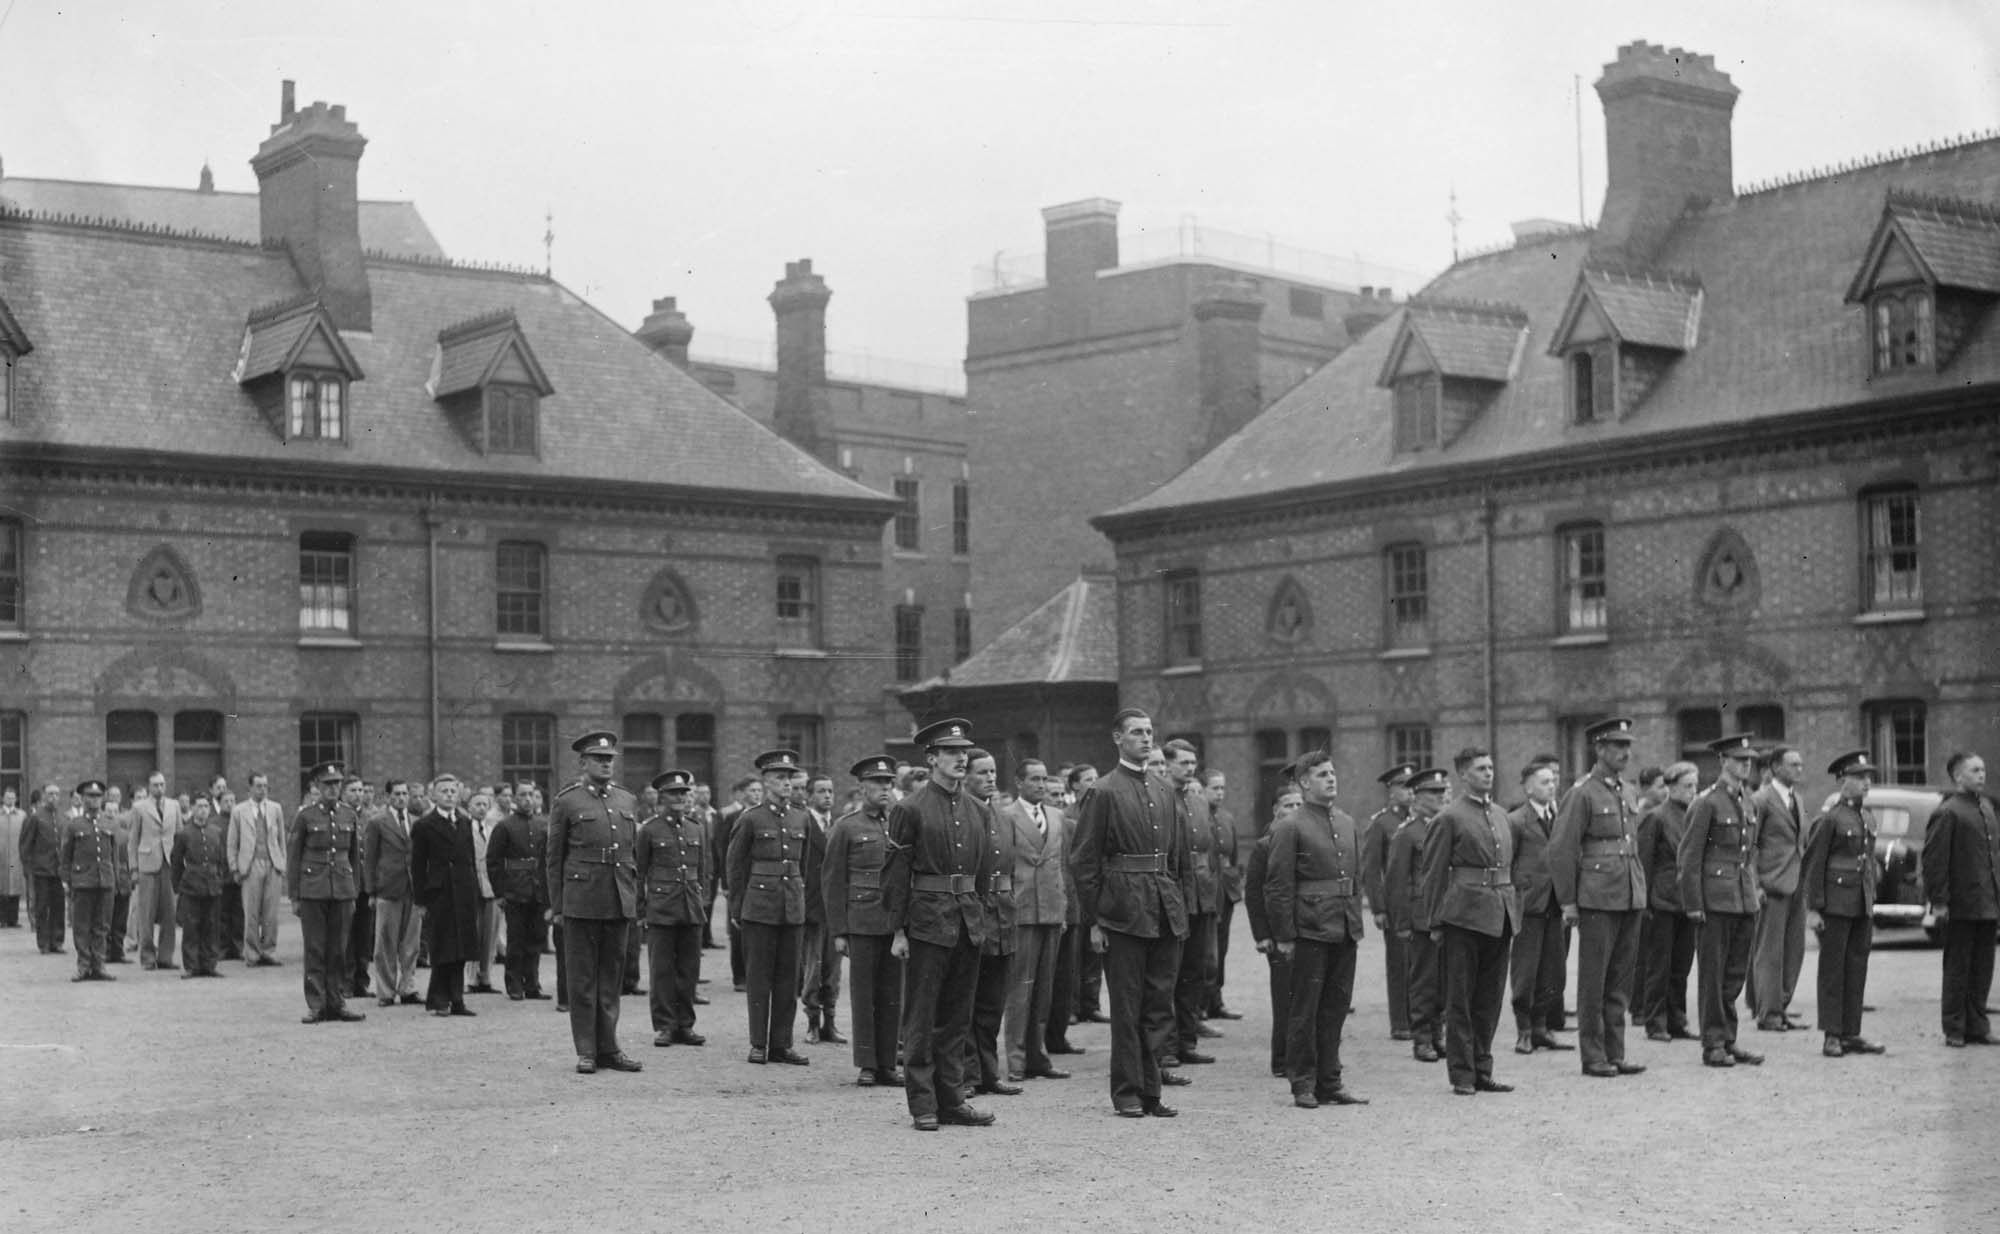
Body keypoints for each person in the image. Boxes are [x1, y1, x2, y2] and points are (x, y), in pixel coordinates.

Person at [1071, 708, 1191, 1120]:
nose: (1145, 738)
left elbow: (1177, 858)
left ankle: (1151, 1090)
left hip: (1162, 907)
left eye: (1149, 732)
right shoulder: (1103, 791)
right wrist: (1095, 921)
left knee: (1159, 1005)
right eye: (1136, 732)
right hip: (1122, 912)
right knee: (1126, 1004)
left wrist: (1177, 905)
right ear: (1117, 738)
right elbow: (1084, 862)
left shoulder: (1163, 789)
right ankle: (1126, 1091)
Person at [883, 717, 996, 1131]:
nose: (961, 758)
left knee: (956, 1017)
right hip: (928, 922)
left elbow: (983, 872)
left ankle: (953, 1100)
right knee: (922, 1014)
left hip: (967, 922)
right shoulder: (910, 808)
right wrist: (897, 929)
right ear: (931, 759)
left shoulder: (978, 810)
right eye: (951, 752)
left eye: (964, 752)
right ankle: (923, 1104)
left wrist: (979, 917)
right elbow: (895, 872)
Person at [1265, 748, 1370, 1110]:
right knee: (1305, 1010)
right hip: (1309, 928)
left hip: (1343, 926)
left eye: (1332, 772)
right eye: (1322, 774)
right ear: (1304, 783)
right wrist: (1283, 935)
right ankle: (1303, 1083)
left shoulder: (1345, 822)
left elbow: (1356, 878)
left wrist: (1354, 919)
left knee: (1335, 1008)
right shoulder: (1289, 826)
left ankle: (1331, 1080)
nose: (1331, 779)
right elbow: (1278, 885)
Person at [1548, 718, 1647, 1078]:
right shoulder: (1582, 793)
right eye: (1618, 746)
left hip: (1629, 893)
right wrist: (1568, 901)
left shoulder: (1628, 791)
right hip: (1597, 897)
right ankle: (1593, 1055)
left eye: (1628, 745)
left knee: (1620, 980)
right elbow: (1561, 850)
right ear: (1600, 749)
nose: (1626, 752)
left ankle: (1615, 1053)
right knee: (1594, 981)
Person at [1419, 748, 1519, 1096]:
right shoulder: (1449, 818)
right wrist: (1433, 921)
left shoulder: (1502, 815)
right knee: (1460, 998)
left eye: (1491, 767)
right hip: (1463, 916)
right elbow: (1432, 874)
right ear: (1463, 774)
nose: (1488, 773)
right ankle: (1462, 1074)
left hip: (1501, 915)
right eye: (1480, 768)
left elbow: (1511, 866)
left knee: (1489, 999)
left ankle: (1483, 1068)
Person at [545, 731, 643, 1074]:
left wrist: (634, 901)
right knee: (583, 979)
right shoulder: (567, 802)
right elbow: (554, 858)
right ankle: (586, 1049)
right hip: (581, 900)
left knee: (611, 977)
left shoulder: (626, 800)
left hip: (618, 898)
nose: (605, 763)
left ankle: (609, 1048)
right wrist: (557, 906)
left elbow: (632, 856)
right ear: (582, 763)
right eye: (598, 758)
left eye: (609, 758)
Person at [1676, 733, 1765, 1068]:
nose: (1745, 765)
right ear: (1723, 762)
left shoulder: (1748, 801)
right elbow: (1689, 858)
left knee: (1734, 974)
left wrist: (1753, 890)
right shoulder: (1707, 803)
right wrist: (1694, 904)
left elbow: (1749, 852)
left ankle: (1728, 1038)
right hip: (1714, 901)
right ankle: (1713, 1042)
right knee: (1712, 976)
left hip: (1742, 898)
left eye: (1749, 760)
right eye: (1739, 759)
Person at [726, 749, 811, 1066]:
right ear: (765, 781)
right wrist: (737, 909)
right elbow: (735, 867)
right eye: (779, 778)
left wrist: (805, 903)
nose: (786, 783)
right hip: (759, 907)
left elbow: (809, 866)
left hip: (793, 906)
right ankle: (758, 1043)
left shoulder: (801, 817)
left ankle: (782, 1044)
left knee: (789, 979)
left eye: (789, 777)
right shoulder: (750, 818)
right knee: (759, 978)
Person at [825, 755, 905, 1086]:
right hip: (860, 922)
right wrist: (839, 931)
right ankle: (867, 1064)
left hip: (894, 923)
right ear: (862, 788)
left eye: (889, 783)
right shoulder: (846, 826)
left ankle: (888, 1063)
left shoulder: (900, 824)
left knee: (892, 995)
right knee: (864, 995)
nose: (885, 789)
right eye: (877, 784)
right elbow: (832, 881)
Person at [1801, 750, 1886, 1057]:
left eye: (1868, 778)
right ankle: (1831, 1035)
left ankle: (1851, 1032)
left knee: (1856, 968)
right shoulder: (1830, 819)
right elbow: (1814, 865)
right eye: (1859, 778)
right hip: (1834, 906)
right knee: (1833, 971)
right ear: (1842, 781)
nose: (1866, 783)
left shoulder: (1865, 816)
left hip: (1861, 903)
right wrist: (1813, 909)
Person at [1002, 758, 1070, 1084]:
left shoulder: (1057, 817)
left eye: (1044, 780)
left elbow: (1062, 867)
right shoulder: (1007, 817)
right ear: (1019, 783)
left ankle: (1037, 1057)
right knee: (1020, 990)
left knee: (1044, 989)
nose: (1041, 785)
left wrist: (1064, 909)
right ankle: (1015, 1060)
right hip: (1022, 910)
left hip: (1052, 911)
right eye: (1034, 780)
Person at [1922, 750, 1997, 1048]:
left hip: (1987, 902)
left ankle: (1977, 1025)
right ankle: (1954, 1027)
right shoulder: (1948, 811)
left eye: (1983, 769)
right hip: (1961, 903)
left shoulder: (1987, 807)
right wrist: (1939, 900)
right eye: (1975, 770)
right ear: (1958, 776)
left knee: (1982, 968)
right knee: (1958, 968)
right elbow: (1935, 860)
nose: (1982, 775)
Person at [286, 762, 365, 1025]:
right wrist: (295, 896)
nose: (333, 789)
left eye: (336, 784)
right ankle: (317, 1004)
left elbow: (354, 857)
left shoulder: (349, 815)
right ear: (317, 787)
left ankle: (337, 1001)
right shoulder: (306, 816)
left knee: (339, 950)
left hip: (342, 890)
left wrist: (354, 892)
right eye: (327, 784)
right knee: (316, 949)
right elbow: (294, 858)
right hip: (313, 890)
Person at [961, 748, 1019, 1097]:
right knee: (966, 1002)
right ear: (966, 776)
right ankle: (966, 1075)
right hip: (974, 916)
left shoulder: (1002, 815)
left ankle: (988, 1072)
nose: (990, 778)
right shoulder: (964, 814)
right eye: (982, 772)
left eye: (993, 771)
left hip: (1003, 915)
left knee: (992, 1003)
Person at [637, 770, 710, 1048]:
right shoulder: (650, 830)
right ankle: (665, 1026)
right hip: (662, 909)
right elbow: (640, 872)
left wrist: (700, 901)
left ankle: (685, 1025)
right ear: (662, 797)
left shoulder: (695, 828)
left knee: (689, 970)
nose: (680, 798)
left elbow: (703, 870)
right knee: (663, 971)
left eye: (683, 793)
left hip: (690, 907)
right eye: (674, 793)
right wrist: (642, 911)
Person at [1162, 739, 1221, 1068]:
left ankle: (1187, 1040)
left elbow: (1209, 852)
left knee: (1194, 973)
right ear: (1167, 764)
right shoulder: (1161, 799)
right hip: (1175, 897)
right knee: (1170, 974)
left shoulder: (1199, 803)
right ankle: (1167, 1046)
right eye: (1182, 763)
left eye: (1192, 763)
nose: (1189, 769)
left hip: (1201, 898)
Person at [1508, 756, 1571, 1055]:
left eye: (1553, 781)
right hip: (1529, 905)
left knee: (1553, 969)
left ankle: (1541, 1027)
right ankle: (1524, 1029)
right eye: (1544, 782)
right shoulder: (1517, 821)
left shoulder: (1559, 816)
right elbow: (1507, 864)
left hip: (1554, 904)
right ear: (1528, 789)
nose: (1552, 786)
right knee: (1526, 970)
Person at [1635, 762, 1699, 1042]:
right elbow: (1644, 861)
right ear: (1671, 788)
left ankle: (1677, 1019)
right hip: (1661, 900)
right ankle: (1655, 1021)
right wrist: (1645, 902)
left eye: (1695, 786)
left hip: (1687, 901)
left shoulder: (1696, 816)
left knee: (1681, 966)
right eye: (1687, 786)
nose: (1692, 791)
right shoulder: (1656, 817)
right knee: (1659, 965)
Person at [1388, 769, 1448, 1064]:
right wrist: (1401, 923)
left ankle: (1438, 1034)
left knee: (1443, 979)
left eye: (1442, 792)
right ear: (1417, 797)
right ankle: (1422, 1038)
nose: (1441, 797)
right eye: (1433, 793)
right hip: (1421, 917)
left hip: (1446, 914)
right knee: (1424, 979)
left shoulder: (1444, 826)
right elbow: (1396, 881)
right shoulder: (1407, 833)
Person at [1749, 745, 1810, 1032]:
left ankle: (1781, 1006)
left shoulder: (1797, 798)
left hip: (1796, 883)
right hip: (1772, 884)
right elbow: (1749, 846)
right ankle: (1768, 1012)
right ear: (1775, 767)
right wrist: (1755, 884)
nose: (1799, 768)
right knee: (1769, 952)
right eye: (1793, 764)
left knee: (1793, 950)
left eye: (1800, 764)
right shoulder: (1761, 800)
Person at [1245, 778, 1303, 1076]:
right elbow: (1254, 893)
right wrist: (1263, 934)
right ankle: (1282, 1060)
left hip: (1307, 927)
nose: (1293, 809)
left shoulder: (1308, 840)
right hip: (1278, 932)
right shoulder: (1265, 846)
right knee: (1285, 998)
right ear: (1275, 810)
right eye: (1287, 805)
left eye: (1298, 805)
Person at [411, 774, 480, 1019]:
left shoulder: (464, 821)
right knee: (443, 947)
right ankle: (439, 999)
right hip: (439, 893)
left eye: (453, 791)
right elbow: (417, 867)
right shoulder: (424, 825)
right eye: (444, 791)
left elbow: (470, 859)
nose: (449, 795)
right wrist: (420, 900)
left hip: (463, 891)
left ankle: (457, 999)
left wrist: (475, 890)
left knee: (462, 946)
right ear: (434, 795)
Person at [1361, 763, 1417, 1042]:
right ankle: (1401, 1022)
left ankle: (1420, 1017)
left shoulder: (1420, 820)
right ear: (1390, 791)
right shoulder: (1382, 823)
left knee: (1421, 962)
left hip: (1419, 903)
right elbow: (1371, 869)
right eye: (1402, 787)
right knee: (1399, 964)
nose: (1409, 792)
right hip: (1396, 904)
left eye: (1411, 786)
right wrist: (1379, 908)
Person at [486, 779, 551, 1002]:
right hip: (515, 889)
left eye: (531, 795)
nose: (527, 799)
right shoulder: (505, 826)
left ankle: (532, 984)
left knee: (536, 939)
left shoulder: (544, 824)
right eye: (522, 795)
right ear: (515, 798)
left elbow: (549, 860)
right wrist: (500, 893)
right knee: (516, 940)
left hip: (539, 890)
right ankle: (514, 984)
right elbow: (494, 862)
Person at [365, 780, 424, 1006]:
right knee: (385, 942)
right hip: (388, 888)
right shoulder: (377, 822)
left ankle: (408, 987)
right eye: (397, 794)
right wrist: (371, 891)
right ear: (388, 796)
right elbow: (370, 859)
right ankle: (386, 990)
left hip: (413, 888)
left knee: (411, 943)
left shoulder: (417, 822)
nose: (401, 798)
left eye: (405, 793)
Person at [798, 771, 845, 1046]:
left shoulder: (839, 825)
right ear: (809, 796)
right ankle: (812, 1022)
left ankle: (831, 1022)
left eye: (830, 791)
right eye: (821, 791)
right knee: (812, 968)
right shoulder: (803, 823)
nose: (827, 796)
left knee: (833, 970)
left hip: (835, 909)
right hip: (812, 906)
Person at [61, 780, 123, 981]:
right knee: (82, 926)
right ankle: (83, 966)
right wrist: (66, 880)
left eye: (97, 796)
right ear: (82, 798)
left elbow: (113, 855)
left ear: (102, 798)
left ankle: (99, 966)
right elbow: (66, 856)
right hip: (82, 881)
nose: (94, 800)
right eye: (89, 796)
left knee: (102, 926)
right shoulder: (74, 825)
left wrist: (115, 879)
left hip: (105, 881)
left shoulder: (110, 823)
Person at [227, 774, 288, 967]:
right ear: (250, 788)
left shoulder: (276, 809)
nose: (263, 790)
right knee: (251, 913)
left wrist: (282, 863)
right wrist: (234, 867)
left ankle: (269, 950)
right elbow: (232, 843)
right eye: (259, 786)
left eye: (265, 786)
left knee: (271, 913)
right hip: (250, 864)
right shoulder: (239, 811)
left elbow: (281, 840)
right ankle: (252, 953)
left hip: (272, 863)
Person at [168, 795, 228, 977]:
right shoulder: (184, 833)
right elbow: (176, 861)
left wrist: (219, 879)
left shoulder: (216, 832)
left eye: (206, 806)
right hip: (192, 885)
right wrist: (178, 886)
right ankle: (192, 965)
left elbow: (222, 860)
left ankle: (209, 964)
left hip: (212, 885)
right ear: (193, 809)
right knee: (192, 927)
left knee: (211, 926)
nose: (203, 810)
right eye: (199, 806)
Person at [127, 771, 181, 970]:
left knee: (170, 913)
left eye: (162, 785)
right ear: (149, 787)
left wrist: (181, 865)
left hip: (169, 864)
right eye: (155, 785)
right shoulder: (139, 808)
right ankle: (148, 957)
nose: (159, 788)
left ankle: (166, 957)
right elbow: (132, 841)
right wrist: (133, 868)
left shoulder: (174, 806)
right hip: (147, 864)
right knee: (146, 913)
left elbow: (180, 836)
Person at [714, 776, 762, 991]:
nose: (757, 795)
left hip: (760, 879)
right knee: (738, 927)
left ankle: (756, 973)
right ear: (742, 794)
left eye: (759, 790)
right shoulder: (732, 817)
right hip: (739, 879)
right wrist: (726, 883)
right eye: (752, 791)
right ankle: (740, 976)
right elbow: (725, 851)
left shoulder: (765, 816)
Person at [1204, 769, 1243, 1021]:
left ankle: (1216, 1000)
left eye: (1222, 788)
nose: (1219, 793)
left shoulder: (1227, 818)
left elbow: (1234, 856)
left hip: (1225, 889)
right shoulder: (1198, 816)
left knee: (1222, 946)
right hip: (1207, 887)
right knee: (1206, 949)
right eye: (1214, 788)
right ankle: (1201, 1002)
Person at [20, 782, 66, 953]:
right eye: (50, 794)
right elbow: (25, 844)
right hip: (41, 870)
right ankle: (43, 942)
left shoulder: (62, 817)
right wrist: (28, 867)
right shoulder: (36, 817)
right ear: (44, 796)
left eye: (56, 794)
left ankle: (57, 941)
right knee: (42, 907)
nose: (53, 797)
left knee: (58, 906)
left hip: (58, 870)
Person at [340, 776, 375, 998]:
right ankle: (346, 981)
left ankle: (361, 981)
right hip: (346, 883)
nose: (358, 794)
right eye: (353, 790)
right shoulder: (341, 815)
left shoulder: (371, 817)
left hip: (366, 884)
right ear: (344, 793)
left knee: (364, 935)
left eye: (361, 790)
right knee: (347, 935)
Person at [466, 788, 502, 996]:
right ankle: (471, 978)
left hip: (491, 886)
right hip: (472, 886)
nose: (481, 809)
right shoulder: (464, 828)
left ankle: (485, 975)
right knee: (474, 932)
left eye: (484, 805)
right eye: (477, 805)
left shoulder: (494, 829)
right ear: (469, 808)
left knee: (490, 933)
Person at [0, 786, 25, 928]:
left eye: (12, 797)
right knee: (2, 887)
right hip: (2, 856)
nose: (10, 799)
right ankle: (1, 919)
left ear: (16, 799)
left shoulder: (22, 816)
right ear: (3, 798)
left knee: (14, 886)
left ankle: (13, 919)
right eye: (7, 797)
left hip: (15, 857)